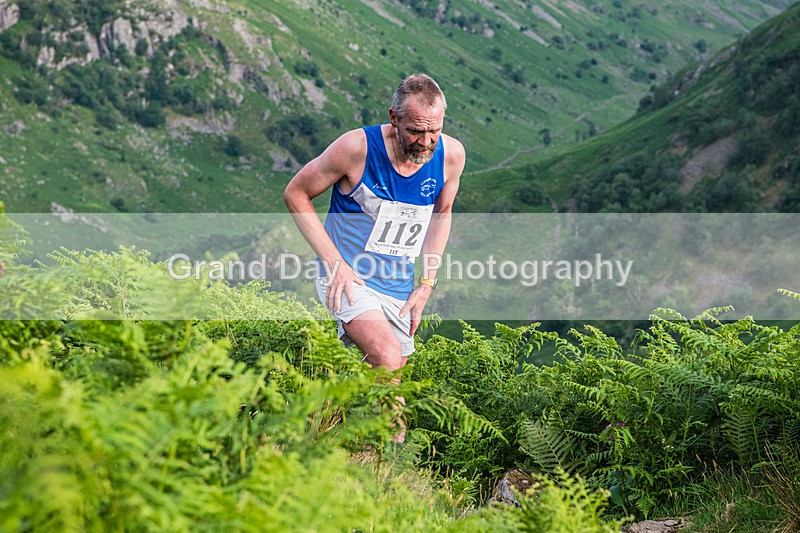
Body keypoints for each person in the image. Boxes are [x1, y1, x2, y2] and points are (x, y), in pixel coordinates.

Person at [284, 74, 465, 440]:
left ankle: (331, 432)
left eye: (434, 131)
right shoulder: (356, 148)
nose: (426, 141)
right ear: (394, 118)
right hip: (348, 277)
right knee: (385, 353)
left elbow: (441, 214)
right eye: (416, 131)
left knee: (391, 372)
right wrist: (335, 264)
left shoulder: (451, 155)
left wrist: (426, 284)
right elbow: (296, 193)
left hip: (398, 285)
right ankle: (394, 456)